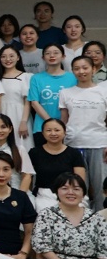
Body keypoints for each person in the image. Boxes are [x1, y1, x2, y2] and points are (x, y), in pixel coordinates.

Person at [59, 55, 107, 210]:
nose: (81, 71)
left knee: (101, 187)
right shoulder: (66, 93)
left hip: (99, 143)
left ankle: (102, 218)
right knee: (77, 187)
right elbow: (64, 121)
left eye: (85, 68)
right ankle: (80, 218)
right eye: (77, 68)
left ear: (94, 69)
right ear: (72, 71)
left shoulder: (103, 91)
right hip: (74, 145)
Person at [29, 119, 87, 212]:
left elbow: (80, 180)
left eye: (57, 130)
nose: (53, 133)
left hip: (70, 193)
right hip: (44, 194)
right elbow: (28, 177)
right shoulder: (34, 153)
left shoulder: (74, 153)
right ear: (42, 133)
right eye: (49, 130)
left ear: (64, 132)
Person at [28, 44, 77, 147]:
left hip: (68, 127)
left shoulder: (73, 78)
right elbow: (34, 102)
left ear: (63, 56)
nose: (52, 56)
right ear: (43, 57)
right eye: (48, 53)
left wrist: (60, 125)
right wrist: (50, 123)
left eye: (56, 53)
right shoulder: (36, 78)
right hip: (42, 127)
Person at [0, 45, 33, 151]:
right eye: (3, 56)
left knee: (23, 147)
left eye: (11, 56)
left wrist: (24, 122)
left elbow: (27, 102)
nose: (8, 59)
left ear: (18, 57)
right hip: (1, 116)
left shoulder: (26, 77)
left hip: (20, 116)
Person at [0, 114, 35, 191]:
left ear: (10, 129)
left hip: (16, 190)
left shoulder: (19, 150)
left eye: (3, 127)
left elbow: (27, 175)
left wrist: (20, 195)